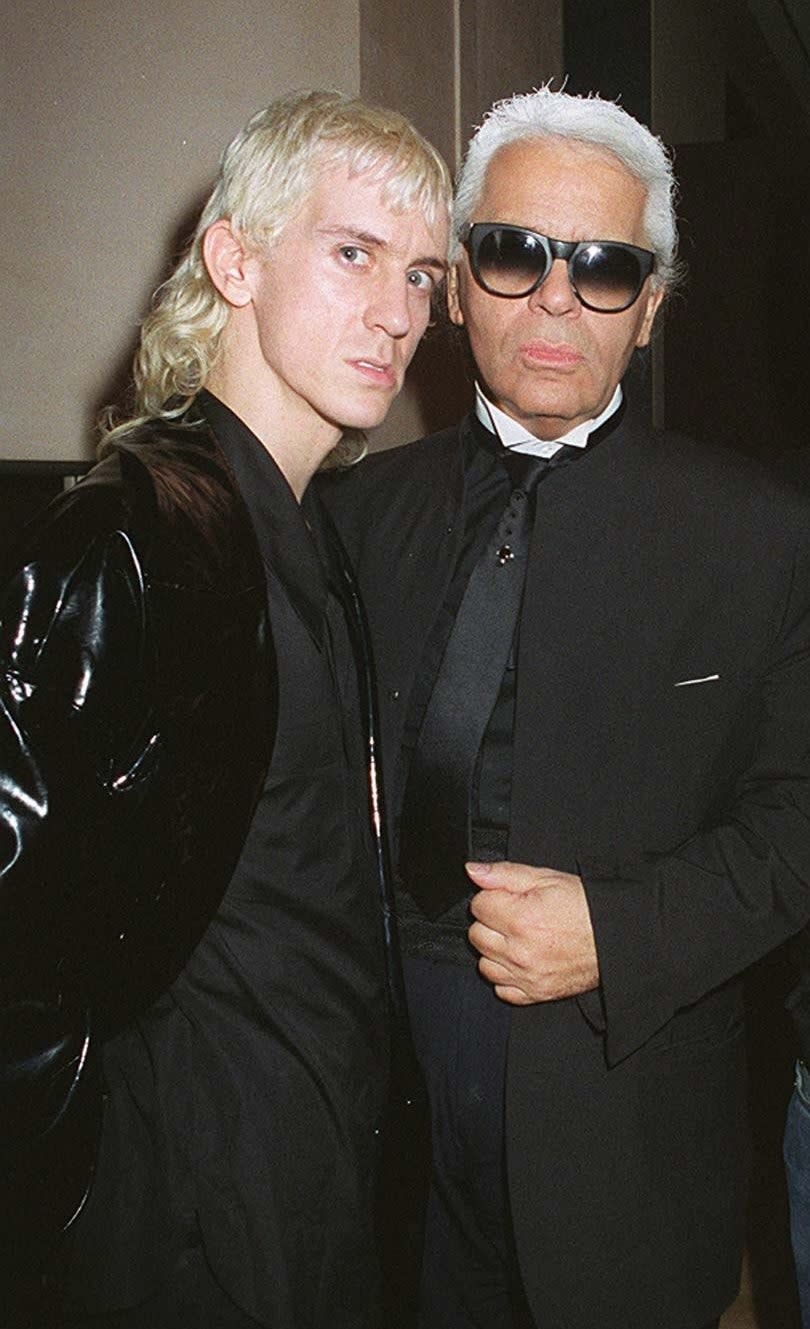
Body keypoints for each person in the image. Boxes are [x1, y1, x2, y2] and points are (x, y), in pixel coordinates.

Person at [321, 85, 810, 1329]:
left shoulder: (759, 537)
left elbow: (800, 816)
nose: (552, 298)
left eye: (602, 267)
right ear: (458, 285)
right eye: (513, 253)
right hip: (385, 1121)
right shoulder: (353, 515)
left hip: (626, 1130)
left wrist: (622, 932)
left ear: (648, 310)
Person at [0, 88, 450, 1328]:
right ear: (234, 258)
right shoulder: (135, 533)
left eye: (420, 276)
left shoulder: (306, 531)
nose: (398, 312)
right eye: (353, 253)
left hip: (313, 1186)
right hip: (186, 1221)